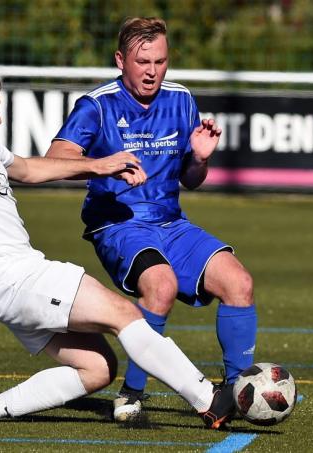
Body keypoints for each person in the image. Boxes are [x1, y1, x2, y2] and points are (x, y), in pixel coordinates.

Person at [0, 66, 236, 429]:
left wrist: (99, 166)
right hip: (17, 279)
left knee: (98, 368)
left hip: (8, 285)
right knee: (127, 315)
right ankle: (209, 400)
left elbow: (29, 170)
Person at [46, 17, 257, 422]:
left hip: (170, 223)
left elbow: (191, 181)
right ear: (120, 60)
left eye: (160, 61)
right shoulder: (97, 105)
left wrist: (200, 157)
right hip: (118, 224)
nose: (152, 71)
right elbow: (55, 160)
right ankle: (131, 394)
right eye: (143, 62)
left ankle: (236, 392)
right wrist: (106, 165)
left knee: (239, 282)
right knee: (160, 285)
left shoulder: (180, 100)